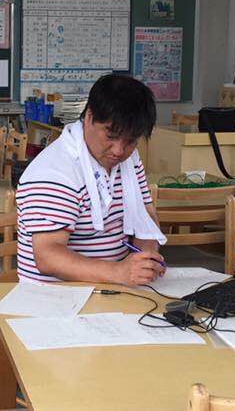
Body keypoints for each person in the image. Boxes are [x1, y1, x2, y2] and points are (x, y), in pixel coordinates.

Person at [16, 74, 166, 285]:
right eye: (111, 136)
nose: (119, 150)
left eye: (131, 141)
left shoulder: (129, 160)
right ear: (89, 117)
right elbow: (48, 257)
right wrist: (119, 272)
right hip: (54, 295)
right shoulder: (54, 171)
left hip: (112, 289)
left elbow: (146, 216)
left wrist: (145, 258)